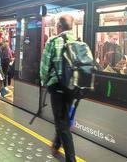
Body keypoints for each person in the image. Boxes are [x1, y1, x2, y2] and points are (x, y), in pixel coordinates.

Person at [40, 14, 77, 162]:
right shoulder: (77, 42)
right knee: (63, 119)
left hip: (57, 87)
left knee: (62, 124)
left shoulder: (53, 41)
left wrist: (44, 82)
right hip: (72, 88)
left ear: (59, 26)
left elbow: (44, 66)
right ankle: (56, 144)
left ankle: (71, 159)